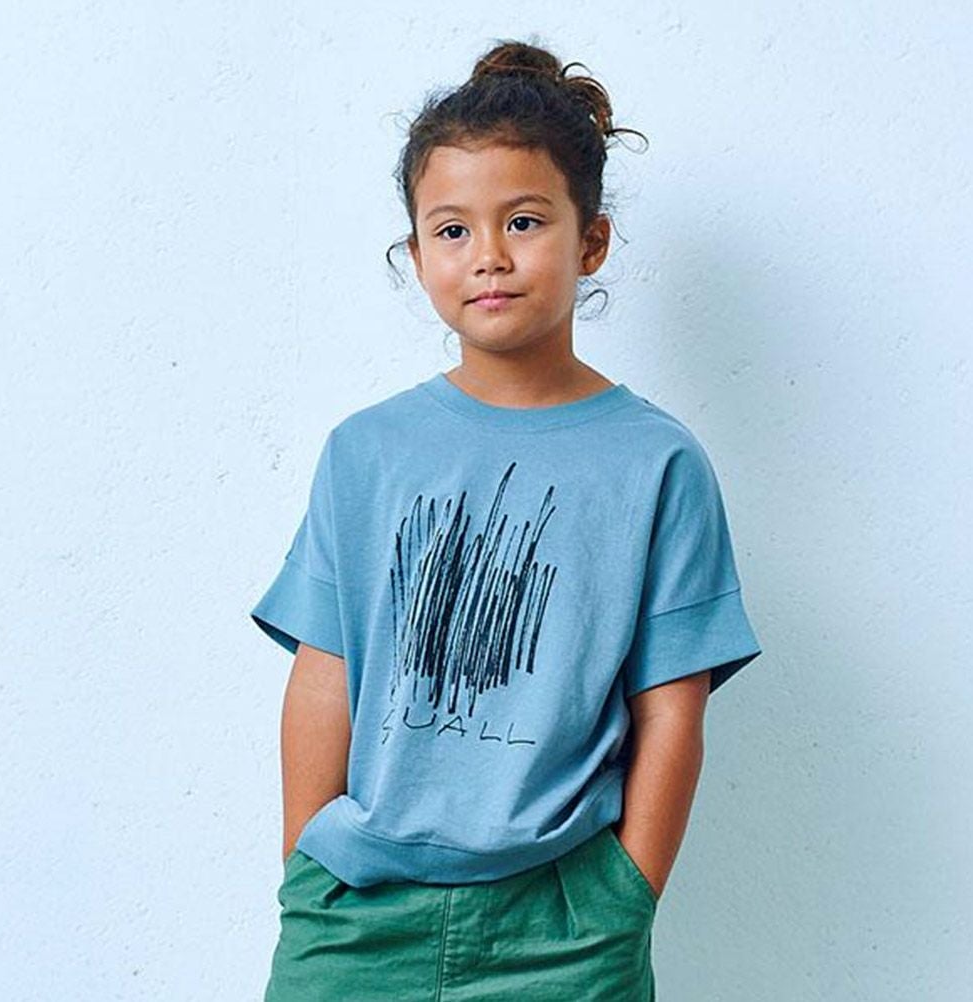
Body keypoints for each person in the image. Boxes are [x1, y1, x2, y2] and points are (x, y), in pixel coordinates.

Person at [250, 36, 763, 1002]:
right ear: (416, 256)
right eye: (451, 230)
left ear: (591, 241)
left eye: (524, 221)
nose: (488, 255)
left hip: (563, 923)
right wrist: (305, 873)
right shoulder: (366, 452)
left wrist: (625, 898)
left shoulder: (658, 465)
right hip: (358, 910)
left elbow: (670, 708)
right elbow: (325, 676)